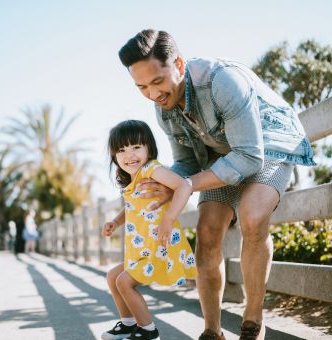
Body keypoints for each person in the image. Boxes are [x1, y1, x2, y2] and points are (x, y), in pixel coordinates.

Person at [118, 30, 316, 340]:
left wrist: (182, 184)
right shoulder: (163, 107)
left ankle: (253, 319)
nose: (152, 93)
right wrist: (169, 181)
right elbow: (185, 161)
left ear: (179, 65)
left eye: (157, 81)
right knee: (207, 231)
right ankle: (212, 331)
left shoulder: (222, 80)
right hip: (220, 155)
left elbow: (250, 156)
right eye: (142, 86)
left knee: (252, 216)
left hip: (268, 146)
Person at [101, 120, 197, 340]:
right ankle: (127, 324)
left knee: (124, 282)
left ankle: (148, 332)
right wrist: (115, 222)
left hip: (159, 247)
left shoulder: (151, 170)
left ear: (149, 148)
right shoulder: (133, 179)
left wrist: (169, 219)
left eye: (136, 147)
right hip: (144, 250)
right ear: (114, 156)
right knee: (113, 276)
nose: (129, 155)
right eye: (121, 150)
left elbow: (183, 185)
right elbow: (133, 209)